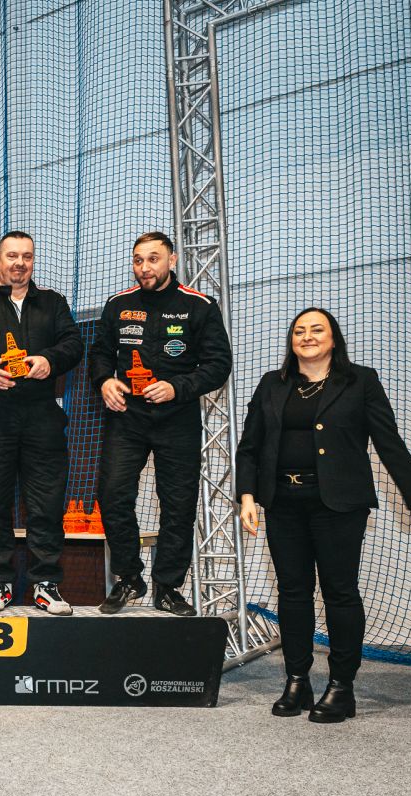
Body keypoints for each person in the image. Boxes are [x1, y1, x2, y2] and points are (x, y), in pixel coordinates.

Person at [237, 307, 411, 722]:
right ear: (291, 341)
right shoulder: (271, 384)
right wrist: (248, 497)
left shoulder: (360, 381)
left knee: (339, 592)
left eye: (317, 329)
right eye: (299, 331)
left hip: (338, 505)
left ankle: (341, 687)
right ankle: (297, 681)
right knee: (293, 593)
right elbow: (250, 446)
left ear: (333, 338)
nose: (307, 336)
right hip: (282, 503)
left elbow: (390, 444)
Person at [90, 232, 232, 616]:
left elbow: (219, 365)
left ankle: (167, 587)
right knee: (112, 494)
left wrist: (176, 387)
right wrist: (104, 381)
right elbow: (100, 353)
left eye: (153, 259)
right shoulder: (118, 305)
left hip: (177, 419)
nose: (144, 267)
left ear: (172, 260)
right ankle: (129, 578)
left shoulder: (199, 305)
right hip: (127, 417)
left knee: (178, 505)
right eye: (138, 260)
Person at [0, 231, 84, 612]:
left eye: (26, 256)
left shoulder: (53, 302)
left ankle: (46, 585)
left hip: (42, 421)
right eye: (12, 256)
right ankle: (0, 583)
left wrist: (50, 361)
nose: (19, 263)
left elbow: (74, 344)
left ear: (33, 261)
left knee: (46, 506)